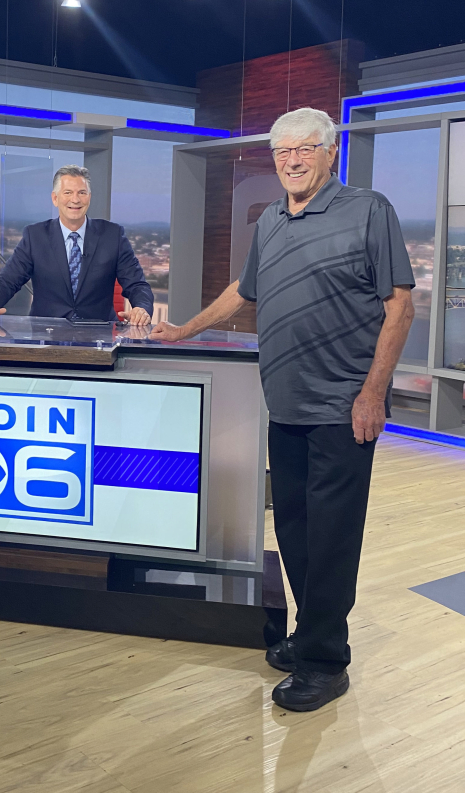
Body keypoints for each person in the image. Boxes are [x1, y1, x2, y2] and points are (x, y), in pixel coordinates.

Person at [151, 107, 415, 711]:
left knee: (332, 538)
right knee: (294, 529)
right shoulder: (271, 219)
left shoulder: (370, 211)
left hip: (344, 409)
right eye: (281, 152)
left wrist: (374, 392)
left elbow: (399, 306)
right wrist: (185, 329)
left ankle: (327, 662)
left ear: (330, 154)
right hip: (287, 405)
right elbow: (242, 293)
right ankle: (309, 634)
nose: (292, 160)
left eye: (305, 149)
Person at [0, 165, 154, 325]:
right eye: (68, 193)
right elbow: (8, 280)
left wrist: (141, 308)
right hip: (46, 335)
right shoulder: (35, 236)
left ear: (89, 197)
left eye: (81, 193)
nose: (75, 200)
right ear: (55, 198)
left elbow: (137, 284)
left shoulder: (112, 235)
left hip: (100, 338)